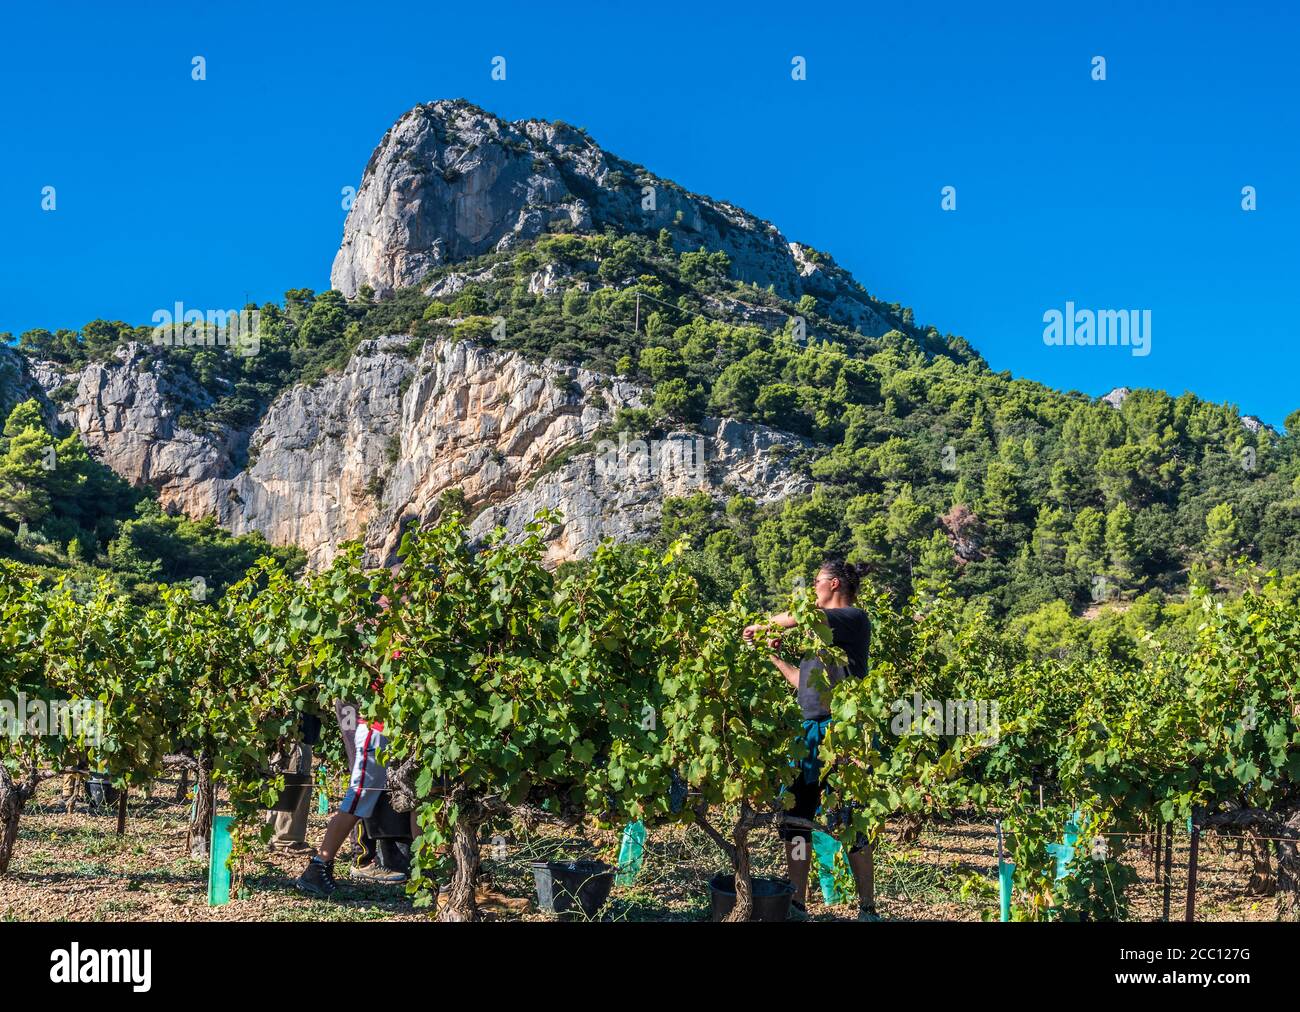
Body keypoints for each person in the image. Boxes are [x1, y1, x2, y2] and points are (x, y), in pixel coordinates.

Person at [743, 558, 878, 922]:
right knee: (796, 822)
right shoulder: (819, 644)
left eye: (817, 581)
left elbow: (804, 616)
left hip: (840, 733)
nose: (813, 588)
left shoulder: (853, 619)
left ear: (834, 584)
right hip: (806, 733)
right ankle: (797, 904)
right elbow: (799, 683)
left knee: (849, 818)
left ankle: (867, 909)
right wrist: (771, 653)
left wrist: (764, 624)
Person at [295, 703, 413, 897]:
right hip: (375, 735)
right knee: (356, 801)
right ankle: (318, 867)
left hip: (388, 733)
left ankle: (426, 871)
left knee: (410, 799)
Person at [266, 712, 322, 853]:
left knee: (280, 780)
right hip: (296, 735)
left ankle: (273, 837)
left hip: (289, 733)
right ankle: (286, 840)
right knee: (295, 780)